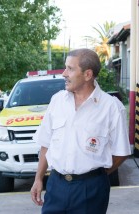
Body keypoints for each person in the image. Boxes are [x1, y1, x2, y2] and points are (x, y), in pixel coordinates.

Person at [31, 48, 131, 214]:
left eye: (70, 69)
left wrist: (95, 174)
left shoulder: (111, 107)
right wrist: (38, 178)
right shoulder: (57, 101)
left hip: (91, 190)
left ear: (87, 74)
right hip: (56, 185)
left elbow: (121, 153)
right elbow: (45, 143)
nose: (64, 73)